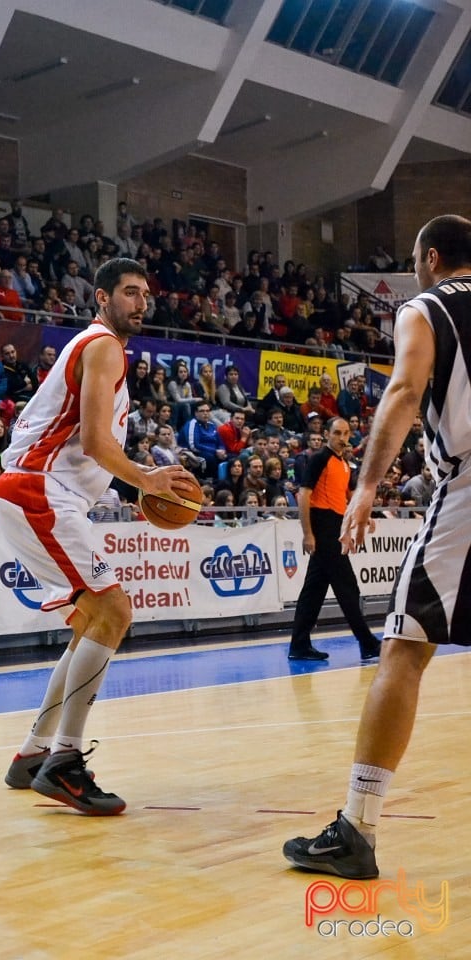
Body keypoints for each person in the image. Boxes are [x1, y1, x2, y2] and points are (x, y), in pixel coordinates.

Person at [283, 214, 471, 880]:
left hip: (469, 487)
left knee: (405, 644)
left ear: (430, 258)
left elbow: (402, 392)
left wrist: (366, 487)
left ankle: (356, 828)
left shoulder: (425, 308)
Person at [0, 257, 191, 815]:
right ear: (102, 298)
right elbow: (98, 443)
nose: (140, 302)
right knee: (115, 612)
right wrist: (144, 478)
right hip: (39, 491)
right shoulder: (103, 345)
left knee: (90, 622)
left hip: (39, 492)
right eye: (129, 292)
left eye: (145, 294)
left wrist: (132, 483)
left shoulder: (103, 349)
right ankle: (65, 761)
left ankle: (35, 752)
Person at [287, 416, 381, 662]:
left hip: (334, 526)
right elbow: (303, 495)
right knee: (347, 585)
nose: (342, 438)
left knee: (314, 591)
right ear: (328, 434)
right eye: (337, 433)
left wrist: (363, 517)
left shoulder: (344, 464)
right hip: (323, 527)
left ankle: (299, 645)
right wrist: (308, 533)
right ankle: (368, 643)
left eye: (346, 433)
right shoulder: (319, 459)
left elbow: (347, 498)